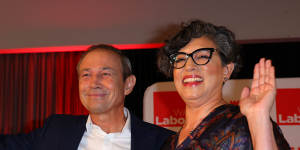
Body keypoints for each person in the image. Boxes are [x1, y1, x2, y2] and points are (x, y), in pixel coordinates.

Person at [0, 44, 175, 150]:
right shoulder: (55, 130)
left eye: (105, 73)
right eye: (86, 75)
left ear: (128, 84)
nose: (94, 83)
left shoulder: (162, 142)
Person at [157, 20, 290, 149]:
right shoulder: (169, 143)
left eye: (202, 57)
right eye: (180, 59)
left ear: (226, 70)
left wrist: (259, 119)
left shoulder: (245, 124)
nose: (189, 66)